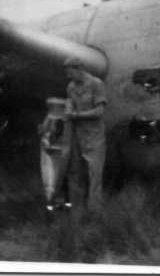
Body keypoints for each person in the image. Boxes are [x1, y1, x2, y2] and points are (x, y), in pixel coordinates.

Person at [63, 56, 108, 212]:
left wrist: (76, 115)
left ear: (80, 69)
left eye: (71, 73)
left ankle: (95, 213)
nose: (69, 76)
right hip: (78, 136)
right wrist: (67, 113)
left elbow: (99, 111)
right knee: (75, 173)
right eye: (67, 74)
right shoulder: (70, 87)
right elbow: (69, 108)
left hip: (95, 137)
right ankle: (76, 211)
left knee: (94, 175)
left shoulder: (96, 84)